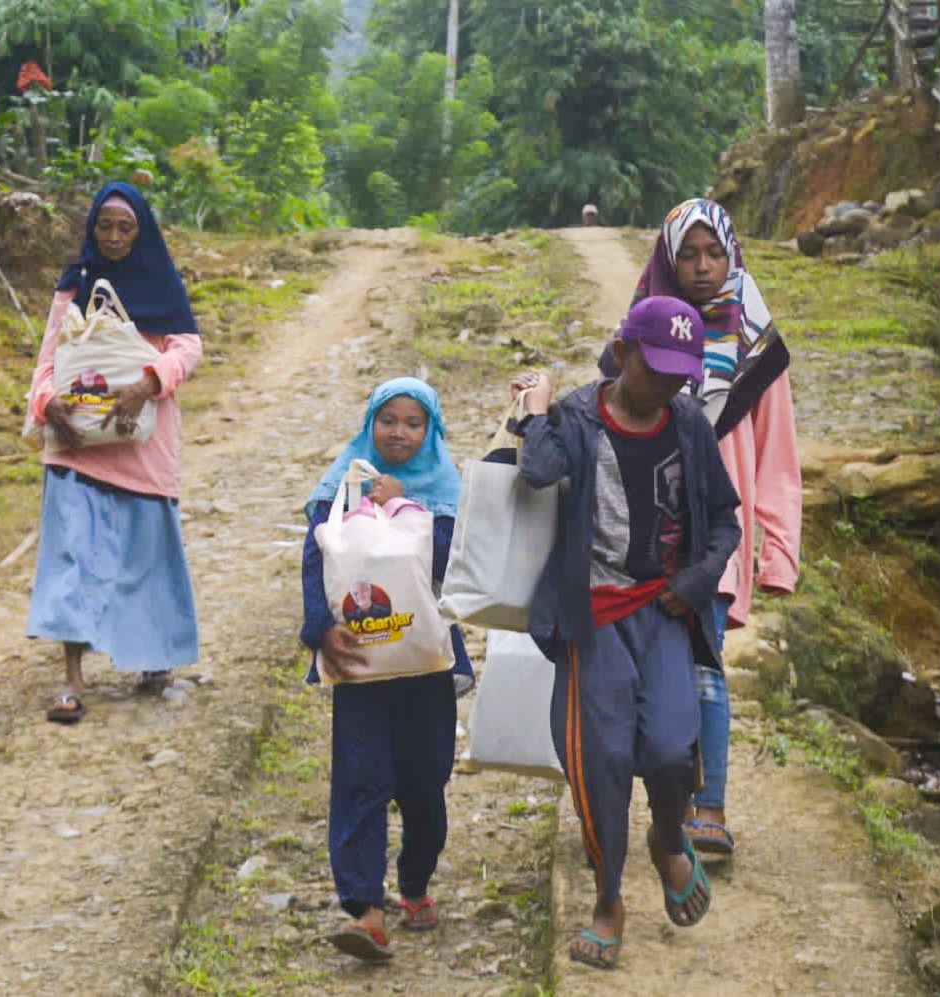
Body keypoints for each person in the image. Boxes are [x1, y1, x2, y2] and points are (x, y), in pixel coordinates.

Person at [510, 296, 742, 970]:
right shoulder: (580, 417)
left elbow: (724, 520)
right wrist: (535, 409)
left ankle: (668, 837)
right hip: (593, 618)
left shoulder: (689, 424)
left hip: (665, 610)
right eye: (654, 366)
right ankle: (607, 897)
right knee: (602, 765)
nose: (665, 383)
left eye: (679, 372)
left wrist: (696, 580)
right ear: (623, 350)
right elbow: (537, 470)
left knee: (671, 747)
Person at [609, 198, 802, 856]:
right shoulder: (641, 324)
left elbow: (776, 449)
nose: (699, 266)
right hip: (645, 526)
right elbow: (606, 423)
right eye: (686, 254)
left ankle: (709, 803)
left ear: (731, 254)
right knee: (641, 669)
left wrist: (776, 548)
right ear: (666, 258)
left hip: (717, 526)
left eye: (712, 252)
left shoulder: (753, 339)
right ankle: (660, 801)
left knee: (704, 666)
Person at [299, 377, 475, 963]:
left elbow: (454, 566)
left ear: (432, 431)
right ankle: (365, 909)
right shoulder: (343, 483)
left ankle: (416, 883)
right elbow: (315, 558)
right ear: (369, 423)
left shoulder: (446, 491)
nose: (398, 433)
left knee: (426, 781)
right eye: (387, 420)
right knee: (360, 778)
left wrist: (403, 508)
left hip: (424, 665)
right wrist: (320, 626)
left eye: (413, 423)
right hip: (360, 665)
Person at [25, 182, 203, 724]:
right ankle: (72, 680)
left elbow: (187, 347)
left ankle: (154, 658)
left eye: (126, 227)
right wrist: (46, 403)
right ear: (92, 229)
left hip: (140, 441)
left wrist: (148, 383)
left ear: (142, 231)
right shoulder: (74, 285)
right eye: (106, 226)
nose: (115, 236)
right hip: (77, 443)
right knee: (71, 558)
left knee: (145, 558)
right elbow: (49, 356)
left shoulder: (162, 285)